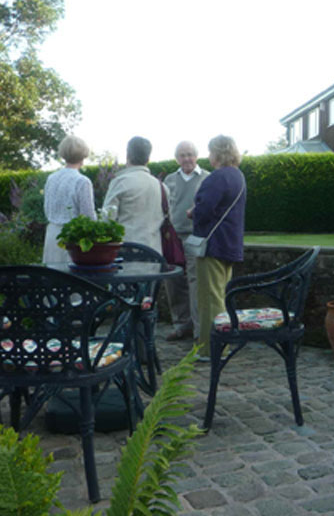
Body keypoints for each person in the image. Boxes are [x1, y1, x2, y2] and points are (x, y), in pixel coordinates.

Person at [192, 135, 246, 360]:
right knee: (221, 295)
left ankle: (211, 348)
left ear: (218, 153)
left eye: (210, 151)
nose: (208, 156)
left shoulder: (218, 177)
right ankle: (221, 344)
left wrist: (192, 212)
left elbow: (203, 211)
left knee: (210, 299)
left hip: (213, 245)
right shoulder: (238, 176)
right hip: (230, 243)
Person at [163, 141, 209, 342]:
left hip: (196, 237)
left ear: (197, 156)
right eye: (182, 155)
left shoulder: (207, 178)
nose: (187, 158)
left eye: (190, 154)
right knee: (173, 281)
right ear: (176, 158)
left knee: (195, 282)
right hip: (173, 236)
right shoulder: (170, 179)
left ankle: (199, 331)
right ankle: (181, 325)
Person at [102, 136, 164, 253]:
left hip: (125, 253)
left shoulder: (120, 182)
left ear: (127, 155)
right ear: (148, 158)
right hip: (155, 254)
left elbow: (107, 220)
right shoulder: (162, 187)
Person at [43, 135, 96, 263]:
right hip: (72, 239)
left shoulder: (52, 178)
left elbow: (47, 209)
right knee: (71, 279)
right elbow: (88, 217)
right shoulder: (82, 181)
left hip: (52, 235)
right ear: (83, 157)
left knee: (52, 277)